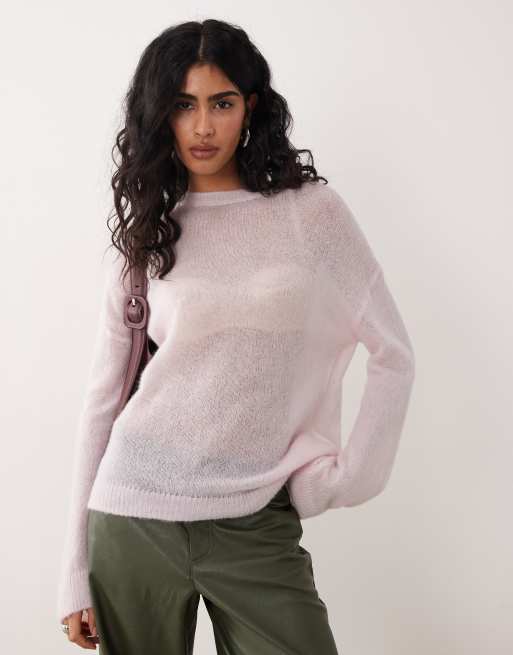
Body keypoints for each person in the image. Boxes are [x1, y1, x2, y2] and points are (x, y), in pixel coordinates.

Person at [56, 18, 415, 654]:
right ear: (159, 115)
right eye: (183, 105)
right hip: (135, 515)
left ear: (250, 107)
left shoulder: (310, 214)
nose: (202, 127)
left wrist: (349, 476)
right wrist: (73, 572)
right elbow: (103, 400)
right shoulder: (148, 234)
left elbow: (393, 351)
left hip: (255, 519)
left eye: (220, 104)